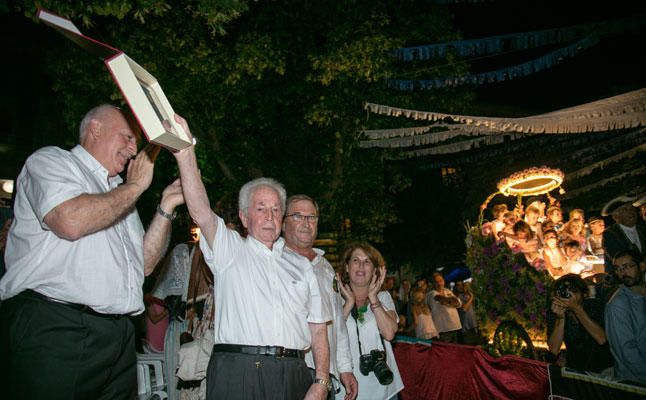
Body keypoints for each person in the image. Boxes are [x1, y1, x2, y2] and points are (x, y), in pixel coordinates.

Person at [0, 104, 184, 399]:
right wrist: (135, 187)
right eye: (127, 137)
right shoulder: (52, 161)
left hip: (118, 337)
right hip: (58, 327)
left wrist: (165, 208)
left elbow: (145, 265)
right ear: (95, 129)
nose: (133, 148)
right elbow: (69, 221)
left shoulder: (117, 192)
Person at [170, 114, 332, 400]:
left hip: (294, 372)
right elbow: (201, 211)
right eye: (260, 208)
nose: (269, 216)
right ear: (244, 217)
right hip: (239, 370)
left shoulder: (302, 266)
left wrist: (320, 381)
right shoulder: (229, 250)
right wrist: (186, 153)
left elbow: (318, 327)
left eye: (275, 209)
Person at [282, 194, 358, 400]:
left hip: (326, 375)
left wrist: (344, 367)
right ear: (282, 223)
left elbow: (337, 322)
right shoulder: (276, 262)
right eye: (298, 216)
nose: (306, 223)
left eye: (312, 217)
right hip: (293, 369)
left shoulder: (325, 266)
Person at [337, 242, 404, 400]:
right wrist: (348, 305)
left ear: (375, 270)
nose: (361, 265)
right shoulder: (334, 299)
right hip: (346, 388)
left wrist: (373, 298)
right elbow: (329, 338)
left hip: (383, 389)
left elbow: (389, 333)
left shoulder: (383, 297)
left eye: (367, 261)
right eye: (355, 260)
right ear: (347, 267)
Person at [547, 274, 614, 373]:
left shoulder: (595, 306)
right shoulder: (555, 312)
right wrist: (560, 318)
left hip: (604, 369)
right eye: (564, 291)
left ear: (584, 294)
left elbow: (602, 339)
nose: (568, 294)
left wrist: (577, 308)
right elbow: (554, 349)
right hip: (576, 370)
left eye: (573, 290)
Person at [605, 250, 646, 384]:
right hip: (635, 382)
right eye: (618, 269)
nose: (623, 272)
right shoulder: (618, 304)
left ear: (642, 266)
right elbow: (627, 352)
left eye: (628, 266)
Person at [603, 202, 646, 273]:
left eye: (631, 209)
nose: (631, 212)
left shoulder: (642, 228)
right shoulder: (610, 234)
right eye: (625, 210)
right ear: (616, 216)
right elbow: (619, 257)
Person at [426, 272, 462, 343]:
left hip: (456, 327)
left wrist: (449, 301)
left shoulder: (448, 291)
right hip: (443, 330)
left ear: (444, 281)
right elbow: (442, 300)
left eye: (440, 281)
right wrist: (451, 301)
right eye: (436, 282)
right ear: (433, 283)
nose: (439, 283)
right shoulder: (431, 294)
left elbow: (458, 303)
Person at [454, 280, 479, 345]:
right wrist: (471, 298)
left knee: (475, 346)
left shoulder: (467, 294)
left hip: (473, 324)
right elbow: (464, 309)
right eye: (458, 285)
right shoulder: (456, 297)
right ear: (455, 287)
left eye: (461, 285)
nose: (460, 287)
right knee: (469, 346)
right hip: (465, 326)